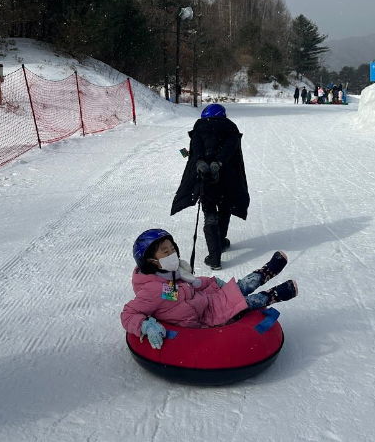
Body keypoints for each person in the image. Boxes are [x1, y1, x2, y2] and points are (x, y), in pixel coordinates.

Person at [121, 229, 298, 348]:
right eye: (166, 252)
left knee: (239, 286)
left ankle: (265, 271)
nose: (172, 254)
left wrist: (213, 282)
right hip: (206, 319)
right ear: (151, 262)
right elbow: (128, 314)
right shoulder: (152, 291)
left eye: (173, 249)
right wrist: (146, 327)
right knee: (243, 302)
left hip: (206, 302)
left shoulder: (173, 274)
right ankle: (274, 295)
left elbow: (195, 283)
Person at [171, 103, 249, 270]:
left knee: (210, 214)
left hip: (205, 178)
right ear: (223, 115)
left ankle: (214, 258)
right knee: (225, 208)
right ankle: (220, 243)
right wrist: (218, 163)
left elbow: (196, 149)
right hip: (228, 179)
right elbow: (230, 149)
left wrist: (200, 162)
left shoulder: (199, 127)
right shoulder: (231, 128)